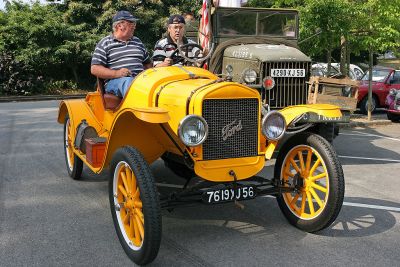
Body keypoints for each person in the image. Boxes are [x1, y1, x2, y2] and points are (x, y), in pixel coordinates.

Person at [91, 10, 152, 98]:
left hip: (140, 81)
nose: (134, 27)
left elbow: (148, 64)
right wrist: (117, 73)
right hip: (116, 82)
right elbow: (95, 69)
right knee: (129, 82)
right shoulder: (105, 43)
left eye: (134, 24)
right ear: (120, 25)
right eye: (131, 23)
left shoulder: (138, 42)